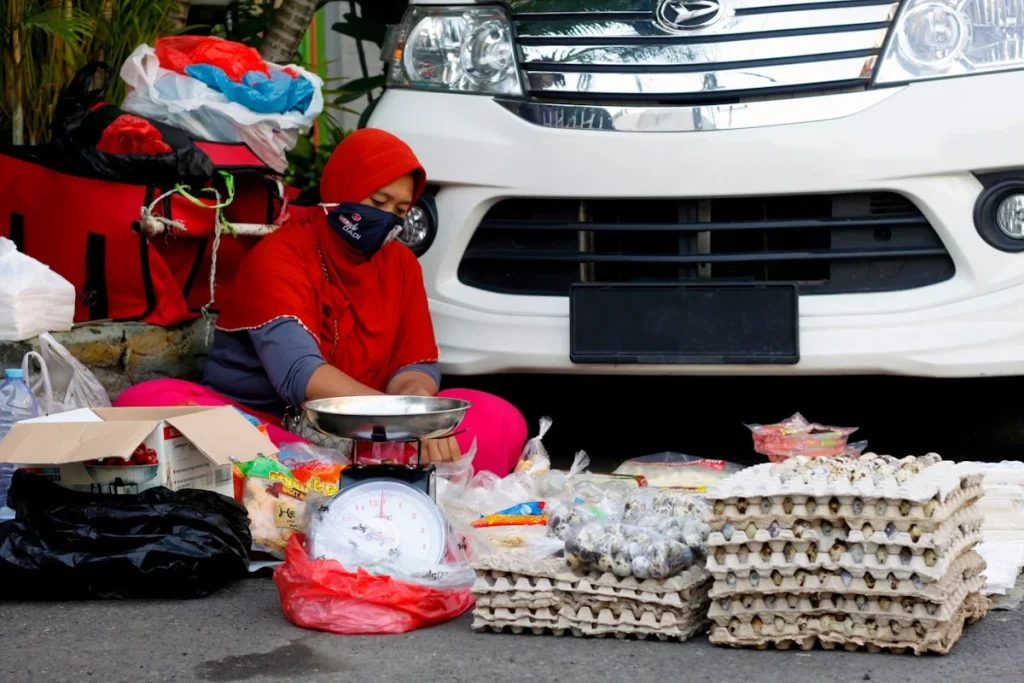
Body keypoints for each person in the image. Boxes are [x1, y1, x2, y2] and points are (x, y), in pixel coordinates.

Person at [115, 129, 528, 476]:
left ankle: (337, 473)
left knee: (500, 419)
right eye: (377, 203)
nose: (388, 219)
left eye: (401, 210)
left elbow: (414, 365)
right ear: (341, 190)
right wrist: (402, 420)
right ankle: (374, 474)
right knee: (148, 404)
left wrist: (419, 412)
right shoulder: (282, 254)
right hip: (270, 425)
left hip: (378, 431)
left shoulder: (399, 263)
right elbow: (299, 375)